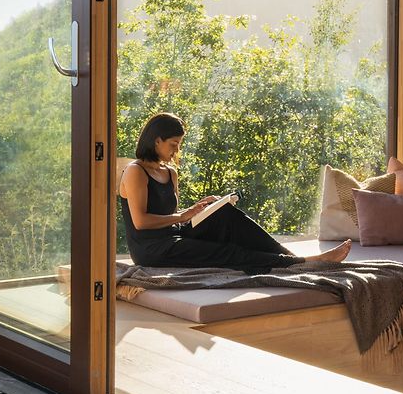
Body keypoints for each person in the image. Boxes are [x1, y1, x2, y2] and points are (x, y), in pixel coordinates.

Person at [119, 112, 352, 274]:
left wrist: (199, 211)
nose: (177, 150)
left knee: (225, 215)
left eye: (180, 144)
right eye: (173, 144)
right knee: (227, 252)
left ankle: (292, 259)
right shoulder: (136, 171)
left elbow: (170, 214)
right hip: (151, 250)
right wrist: (183, 216)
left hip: (174, 234)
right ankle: (300, 262)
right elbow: (141, 222)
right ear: (157, 140)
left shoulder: (170, 172)